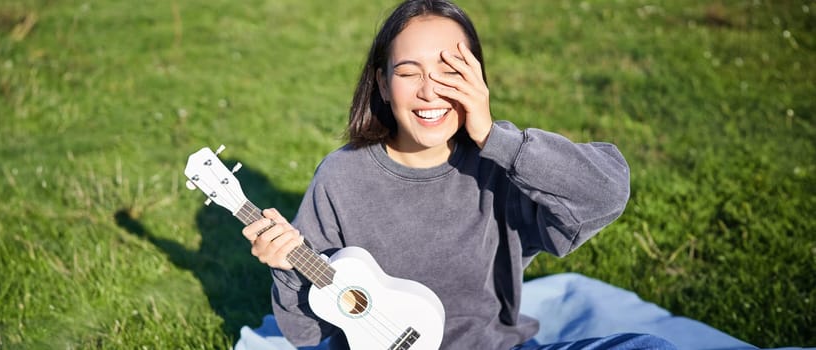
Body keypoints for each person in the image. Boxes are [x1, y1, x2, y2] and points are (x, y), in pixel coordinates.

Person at [241, 0, 675, 349]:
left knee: (649, 346)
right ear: (382, 84)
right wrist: (285, 268)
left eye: (450, 71)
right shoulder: (340, 178)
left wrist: (493, 137)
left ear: (477, 79)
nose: (430, 90)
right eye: (409, 72)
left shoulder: (501, 167)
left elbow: (606, 192)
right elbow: (306, 335)